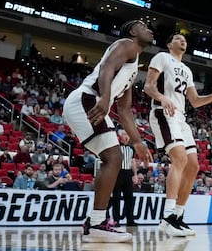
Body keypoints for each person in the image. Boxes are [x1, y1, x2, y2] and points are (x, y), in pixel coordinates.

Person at [62, 20, 154, 243]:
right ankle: (96, 223)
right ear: (133, 32)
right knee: (113, 156)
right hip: (87, 98)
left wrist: (138, 142)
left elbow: (124, 110)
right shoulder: (126, 44)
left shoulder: (133, 65)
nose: (149, 28)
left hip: (91, 100)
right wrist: (104, 98)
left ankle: (95, 222)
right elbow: (105, 68)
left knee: (113, 157)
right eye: (143, 26)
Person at [144, 33, 212, 237]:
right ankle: (167, 216)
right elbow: (149, 86)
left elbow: (195, 101)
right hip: (163, 112)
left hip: (181, 117)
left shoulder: (187, 70)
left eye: (184, 39)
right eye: (176, 38)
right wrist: (161, 98)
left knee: (193, 166)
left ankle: (178, 215)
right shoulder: (162, 57)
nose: (182, 40)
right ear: (169, 44)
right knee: (180, 159)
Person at [110, 130, 137, 226]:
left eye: (128, 135)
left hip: (128, 173)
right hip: (118, 173)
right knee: (116, 197)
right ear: (120, 136)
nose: (127, 137)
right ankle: (116, 219)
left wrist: (135, 174)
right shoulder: (116, 147)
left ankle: (130, 219)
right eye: (125, 134)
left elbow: (133, 162)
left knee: (129, 198)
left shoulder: (131, 149)